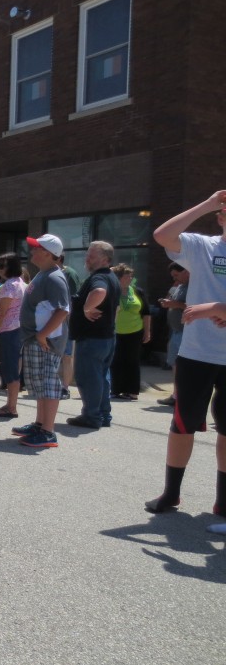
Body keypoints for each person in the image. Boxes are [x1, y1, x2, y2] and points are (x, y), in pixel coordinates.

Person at [145, 190, 226, 517]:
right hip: (197, 353)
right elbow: (162, 234)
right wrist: (208, 203)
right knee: (183, 424)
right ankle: (171, 494)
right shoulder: (204, 246)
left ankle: (223, 501)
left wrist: (218, 307)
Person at [13, 233, 70, 449]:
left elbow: (62, 310)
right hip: (38, 339)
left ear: (48, 254)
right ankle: (40, 424)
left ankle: (48, 431)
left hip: (47, 341)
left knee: (48, 384)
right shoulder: (44, 274)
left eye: (37, 248)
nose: (32, 251)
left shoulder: (54, 277)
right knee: (39, 384)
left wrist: (42, 334)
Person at [66, 241, 121, 429]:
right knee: (101, 376)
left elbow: (99, 291)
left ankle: (92, 416)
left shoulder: (100, 277)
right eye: (88, 254)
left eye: (92, 255)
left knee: (88, 377)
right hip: (106, 336)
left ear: (105, 259)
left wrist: (86, 308)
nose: (87, 258)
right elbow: (117, 307)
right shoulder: (112, 276)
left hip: (92, 338)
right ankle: (103, 414)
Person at [0, 252, 27, 419]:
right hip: (17, 329)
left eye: (1, 265)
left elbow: (2, 313)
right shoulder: (22, 284)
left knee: (10, 368)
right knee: (11, 368)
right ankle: (11, 405)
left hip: (10, 330)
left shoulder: (9, 286)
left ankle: (11, 407)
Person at [110, 263, 151, 400]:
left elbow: (146, 313)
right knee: (116, 360)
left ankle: (132, 391)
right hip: (116, 331)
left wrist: (147, 332)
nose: (130, 279)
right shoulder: (111, 291)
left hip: (135, 331)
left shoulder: (138, 291)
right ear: (119, 278)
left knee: (132, 361)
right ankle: (115, 389)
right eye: (127, 276)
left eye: (131, 276)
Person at [157, 263, 190, 407]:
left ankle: (184, 396)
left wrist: (176, 304)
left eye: (176, 275)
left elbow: (192, 306)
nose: (175, 279)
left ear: (186, 271)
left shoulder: (195, 287)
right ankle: (176, 395)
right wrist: (169, 303)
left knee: (184, 366)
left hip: (186, 332)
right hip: (176, 331)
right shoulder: (180, 286)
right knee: (175, 365)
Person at [56, 253, 81, 399]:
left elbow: (74, 300)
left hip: (66, 321)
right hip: (50, 321)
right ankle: (52, 385)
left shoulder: (69, 274)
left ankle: (65, 387)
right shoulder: (46, 273)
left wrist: (69, 321)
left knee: (67, 355)